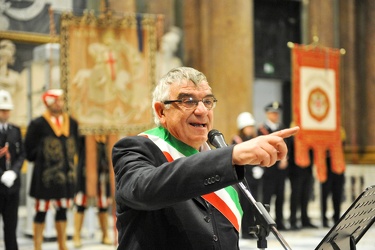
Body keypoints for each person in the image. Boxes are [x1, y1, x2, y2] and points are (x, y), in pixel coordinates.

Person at [112, 67, 299, 249]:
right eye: (188, 101)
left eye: (208, 101)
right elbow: (145, 189)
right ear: (161, 111)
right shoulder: (135, 149)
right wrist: (231, 156)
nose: (202, 111)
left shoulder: (220, 160)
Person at [24, 89, 80, 250]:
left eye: (62, 100)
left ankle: (62, 244)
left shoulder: (72, 123)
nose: (60, 104)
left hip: (66, 176)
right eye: (56, 101)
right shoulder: (37, 124)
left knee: (62, 209)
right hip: (44, 178)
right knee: (41, 212)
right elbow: (29, 151)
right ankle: (37, 246)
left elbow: (76, 146)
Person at [73, 135, 112, 247]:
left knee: (103, 204)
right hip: (86, 174)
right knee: (81, 204)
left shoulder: (106, 135)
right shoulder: (84, 135)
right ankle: (77, 235)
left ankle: (105, 235)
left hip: (103, 174)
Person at [232, 112, 264, 239]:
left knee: (254, 205)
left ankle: (252, 229)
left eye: (252, 126)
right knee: (245, 205)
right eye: (248, 126)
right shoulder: (237, 140)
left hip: (255, 177)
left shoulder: (254, 139)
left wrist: (259, 168)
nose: (251, 129)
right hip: (243, 177)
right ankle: (245, 231)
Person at [0, 89, 25, 250]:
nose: (6, 113)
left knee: (11, 228)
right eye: (2, 110)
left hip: (12, 187)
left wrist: (13, 172)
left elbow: (22, 153)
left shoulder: (15, 131)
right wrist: (1, 175)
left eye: (7, 110)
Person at [257, 101, 288, 230]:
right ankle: (265, 223)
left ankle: (280, 222)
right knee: (267, 197)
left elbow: (288, 146)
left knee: (280, 196)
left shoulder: (282, 128)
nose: (275, 115)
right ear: (267, 114)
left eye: (276, 113)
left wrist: (285, 158)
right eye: (272, 113)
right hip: (268, 169)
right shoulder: (262, 130)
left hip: (280, 169)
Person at [287, 129, 317, 230]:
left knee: (305, 196)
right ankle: (293, 221)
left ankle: (305, 220)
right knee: (295, 197)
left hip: (307, 171)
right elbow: (289, 154)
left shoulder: (309, 138)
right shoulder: (292, 138)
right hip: (295, 172)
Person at [321, 127, 346, 228]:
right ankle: (324, 219)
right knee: (324, 195)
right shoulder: (323, 134)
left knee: (337, 195)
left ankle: (336, 217)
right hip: (325, 169)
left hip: (338, 169)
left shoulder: (340, 132)